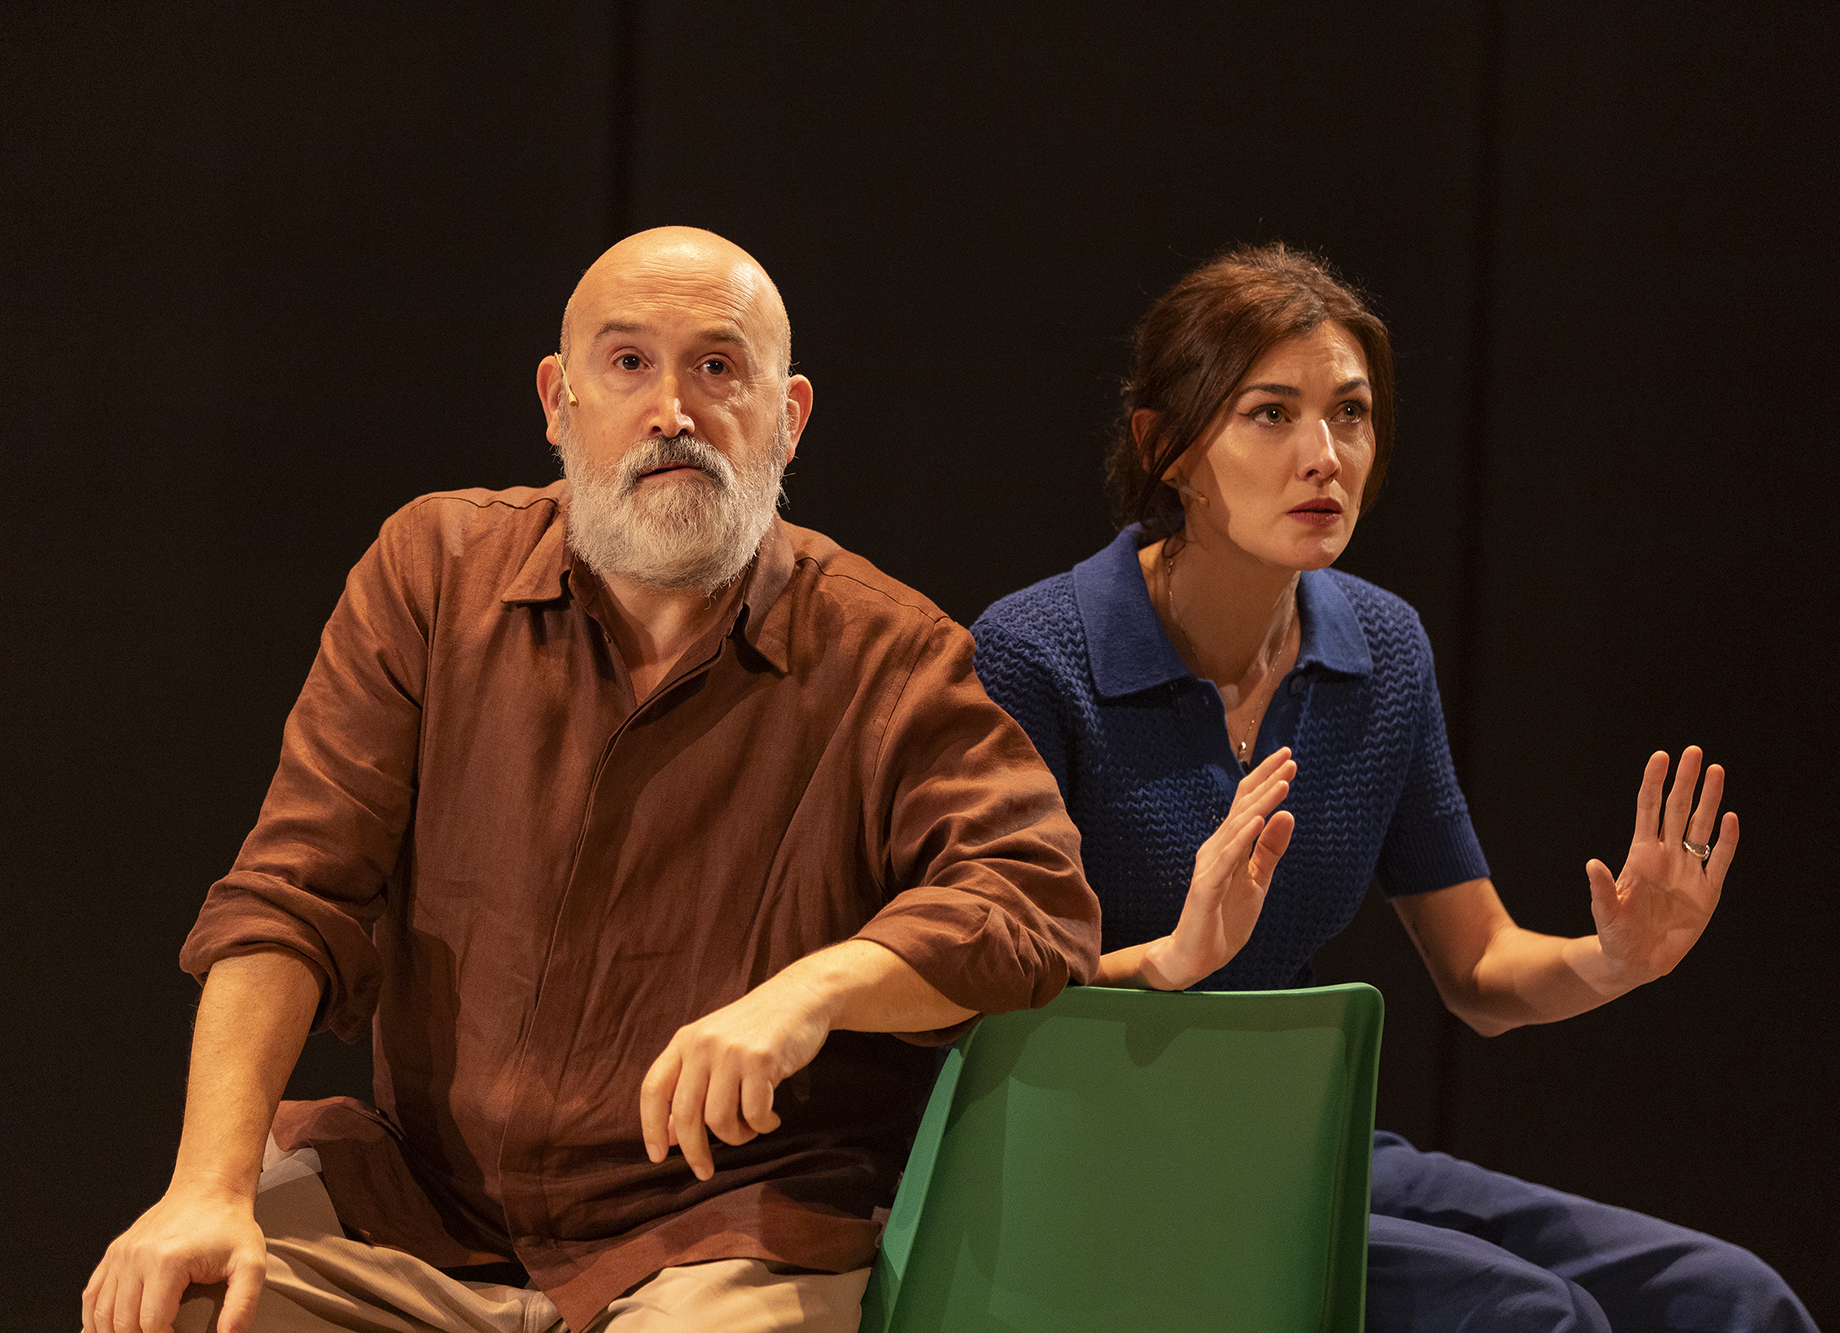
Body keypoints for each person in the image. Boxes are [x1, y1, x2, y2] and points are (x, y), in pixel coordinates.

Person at [82, 227, 1100, 1333]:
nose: (672, 411)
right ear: (557, 401)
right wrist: (205, 1189)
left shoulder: (889, 656)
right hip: (424, 1213)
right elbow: (290, 892)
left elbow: (1032, 905)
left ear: (789, 416)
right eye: (628, 363)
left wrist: (811, 991)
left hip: (720, 1235)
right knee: (169, 1305)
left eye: (717, 367)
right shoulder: (433, 574)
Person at [970, 242, 1817, 1332]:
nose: (1324, 457)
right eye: (1270, 414)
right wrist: (1170, 960)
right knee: (1531, 1315)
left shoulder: (1380, 648)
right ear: (1163, 448)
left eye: (1351, 414)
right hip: (1091, 1152)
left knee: (1731, 1300)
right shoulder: (1036, 654)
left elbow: (1479, 968)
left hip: (1300, 1139)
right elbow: (975, 987)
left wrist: (1613, 960)